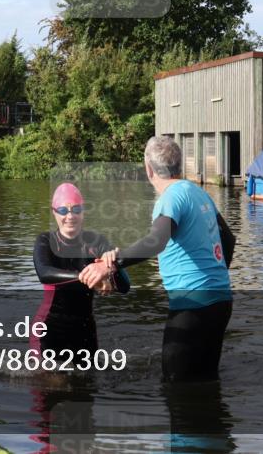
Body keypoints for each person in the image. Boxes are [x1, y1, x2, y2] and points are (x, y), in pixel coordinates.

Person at [79, 136, 236, 382]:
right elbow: (229, 239)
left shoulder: (170, 198)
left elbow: (156, 241)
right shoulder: (198, 192)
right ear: (179, 165)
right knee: (206, 381)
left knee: (175, 385)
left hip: (192, 305)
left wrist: (110, 264)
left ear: (149, 168)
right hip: (220, 301)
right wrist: (214, 278)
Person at [32, 183, 130, 356]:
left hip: (85, 330)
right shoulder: (46, 241)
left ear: (83, 211)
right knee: (52, 382)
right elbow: (44, 273)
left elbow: (124, 287)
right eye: (63, 210)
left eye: (76, 209)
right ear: (54, 212)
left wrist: (114, 267)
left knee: (90, 381)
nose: (70, 216)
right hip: (50, 328)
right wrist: (92, 277)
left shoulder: (97, 242)